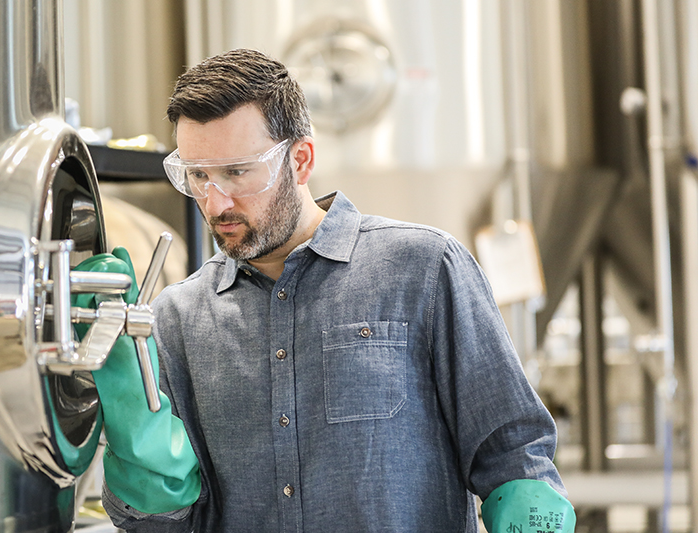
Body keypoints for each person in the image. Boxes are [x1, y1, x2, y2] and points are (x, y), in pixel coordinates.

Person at [86, 48, 575, 532]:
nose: (216, 203)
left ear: (300, 160)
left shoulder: (422, 270)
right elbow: (167, 524)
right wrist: (139, 450)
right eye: (198, 176)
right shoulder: (177, 317)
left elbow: (514, 455)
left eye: (236, 172)